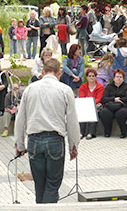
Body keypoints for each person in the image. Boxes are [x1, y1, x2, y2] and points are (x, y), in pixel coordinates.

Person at [15, 58, 80, 204]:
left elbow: (20, 119)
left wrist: (19, 145)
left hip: (34, 140)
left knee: (39, 185)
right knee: (52, 185)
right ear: (60, 73)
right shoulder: (65, 90)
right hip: (55, 139)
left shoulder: (30, 89)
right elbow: (72, 121)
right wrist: (73, 145)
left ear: (43, 71)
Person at [100, 69, 127, 138]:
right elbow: (103, 99)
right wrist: (114, 99)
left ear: (123, 79)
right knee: (104, 112)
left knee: (121, 113)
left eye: (120, 77)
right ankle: (107, 132)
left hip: (123, 106)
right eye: (117, 77)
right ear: (114, 78)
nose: (118, 79)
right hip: (110, 106)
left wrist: (120, 100)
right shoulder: (109, 87)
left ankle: (123, 132)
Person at [78, 69, 104, 140]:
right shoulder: (83, 87)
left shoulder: (100, 87)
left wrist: (91, 103)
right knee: (82, 111)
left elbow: (99, 98)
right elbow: (82, 98)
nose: (91, 77)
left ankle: (90, 133)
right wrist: (88, 104)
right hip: (85, 104)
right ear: (87, 77)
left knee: (93, 110)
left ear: (95, 77)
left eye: (93, 76)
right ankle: (81, 132)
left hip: (96, 105)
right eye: (89, 76)